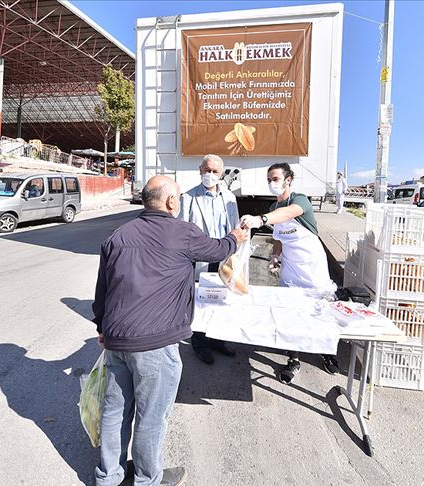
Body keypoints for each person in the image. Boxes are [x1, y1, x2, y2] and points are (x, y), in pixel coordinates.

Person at [93, 175, 248, 486]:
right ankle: (148, 478)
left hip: (115, 340)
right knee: (151, 416)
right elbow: (217, 251)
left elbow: (103, 292)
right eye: (177, 196)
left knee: (115, 411)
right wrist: (235, 237)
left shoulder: (118, 236)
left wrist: (102, 327)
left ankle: (108, 477)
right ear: (171, 202)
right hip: (155, 343)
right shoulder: (182, 232)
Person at [240, 163, 339, 384]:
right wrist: (276, 255)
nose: (271, 183)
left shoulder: (299, 200)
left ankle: (327, 352)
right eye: (269, 179)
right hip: (291, 267)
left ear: (288, 179)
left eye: (275, 178)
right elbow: (278, 235)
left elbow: (289, 213)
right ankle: (293, 359)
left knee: (319, 311)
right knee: (291, 314)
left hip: (312, 266)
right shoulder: (276, 204)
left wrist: (261, 219)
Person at [178, 154, 240, 364]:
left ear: (221, 173)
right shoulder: (188, 197)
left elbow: (235, 228)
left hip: (223, 257)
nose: (210, 175)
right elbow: (181, 232)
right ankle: (200, 343)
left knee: (221, 299)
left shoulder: (229, 197)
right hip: (200, 259)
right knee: (201, 302)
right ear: (200, 170)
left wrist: (235, 255)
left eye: (215, 172)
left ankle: (217, 340)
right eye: (207, 170)